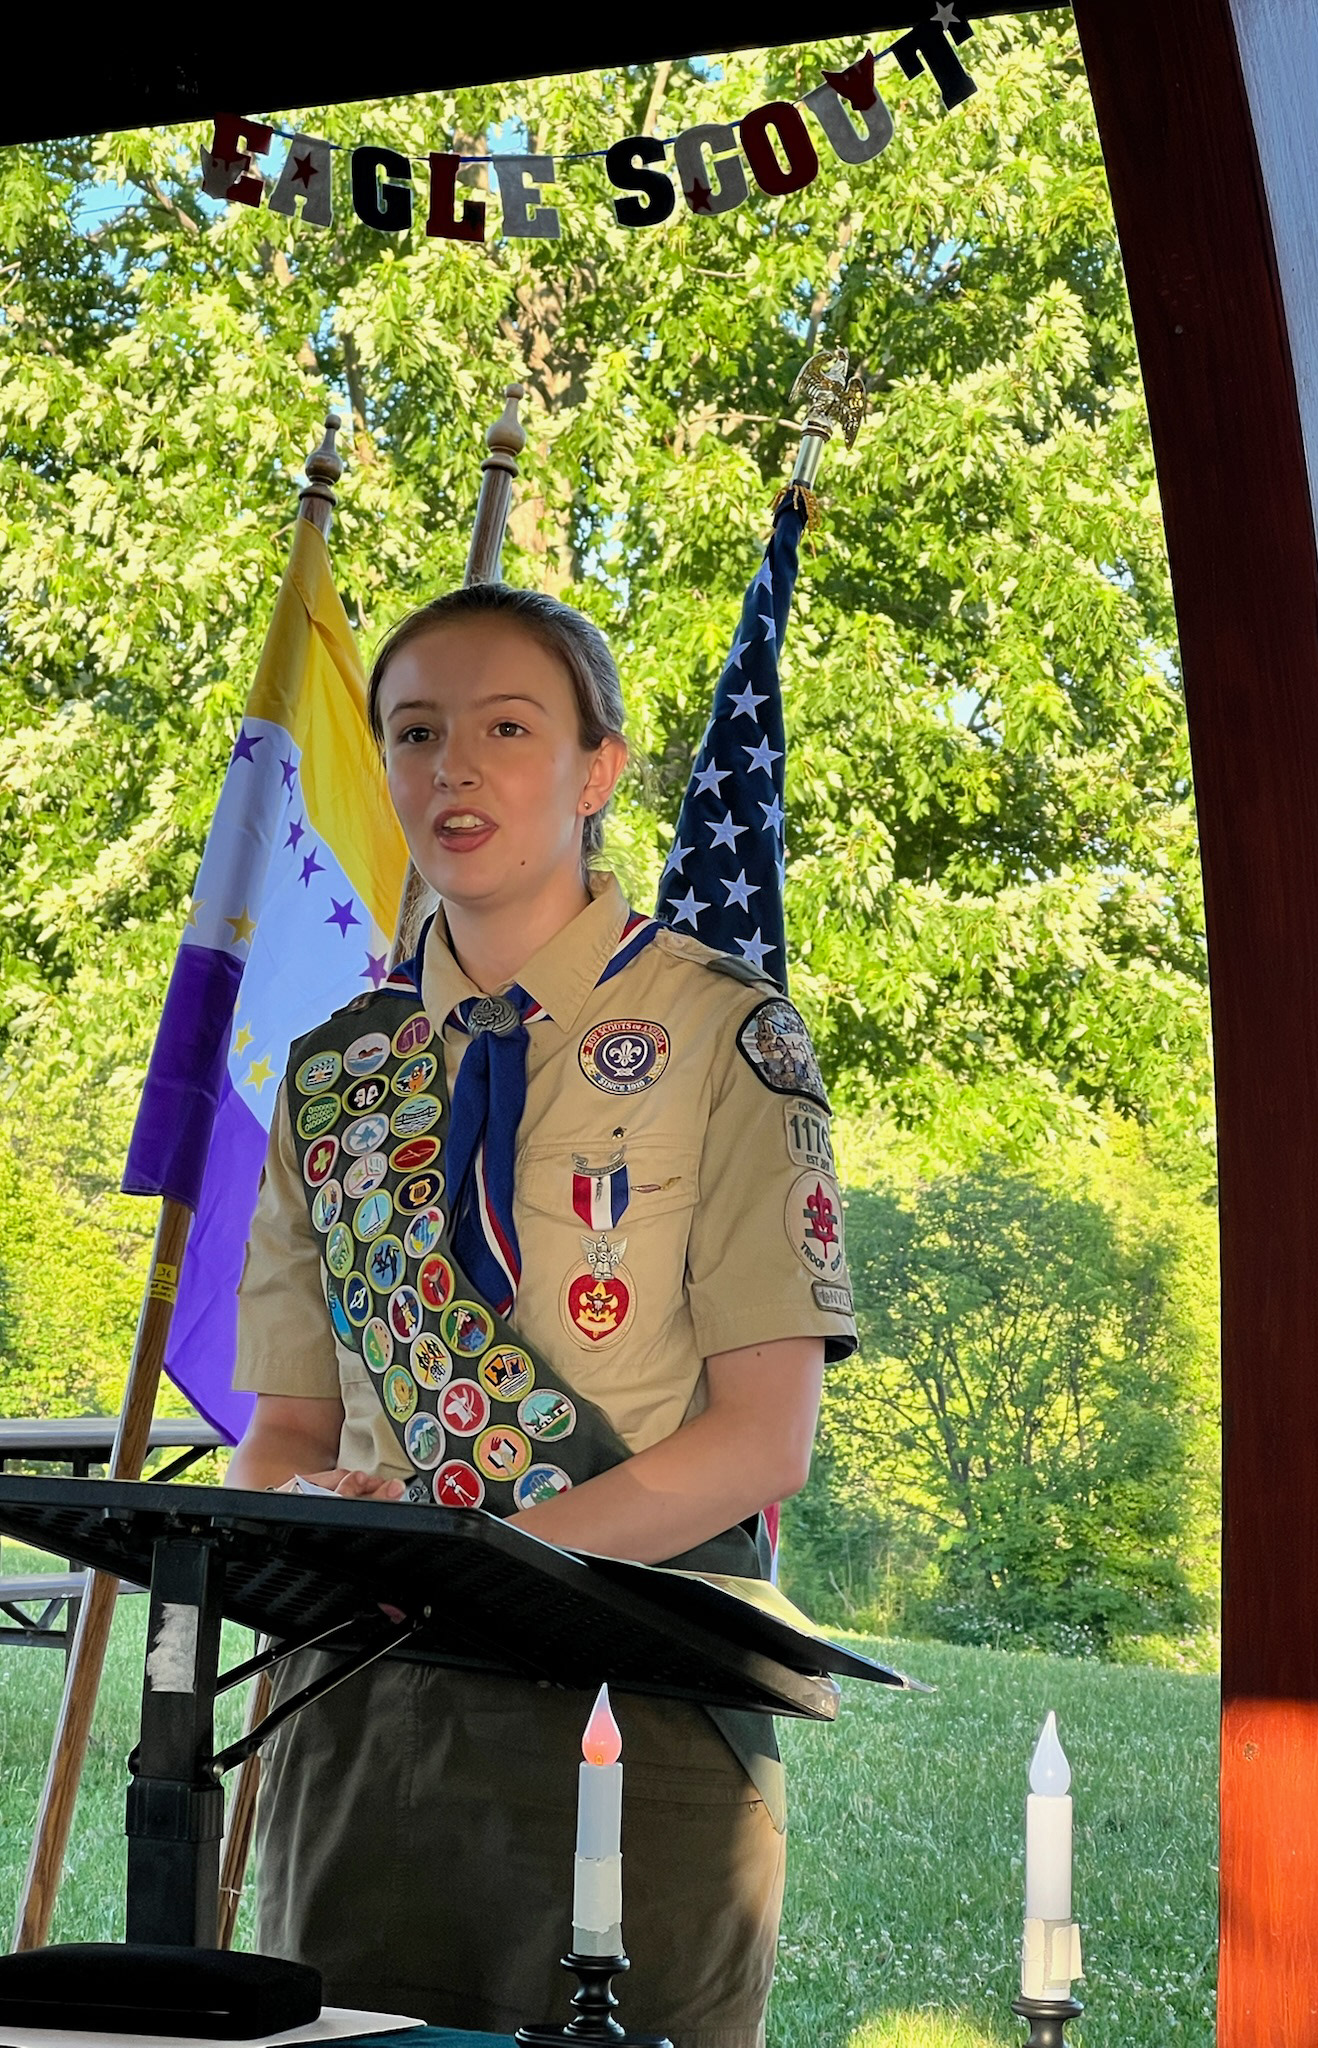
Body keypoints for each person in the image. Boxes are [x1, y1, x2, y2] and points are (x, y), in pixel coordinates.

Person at [225, 582, 857, 2048]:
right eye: (416, 731)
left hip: (639, 1704)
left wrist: (479, 1563)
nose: (454, 768)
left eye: (507, 727)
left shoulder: (726, 1033)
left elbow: (765, 1442)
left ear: (595, 770)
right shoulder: (337, 1076)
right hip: (368, 1725)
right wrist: (317, 1528)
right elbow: (284, 1436)